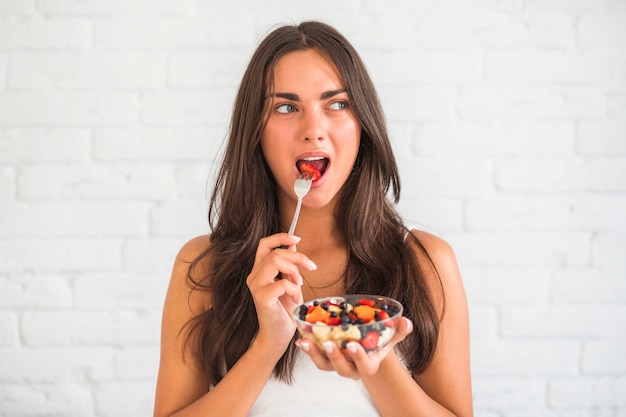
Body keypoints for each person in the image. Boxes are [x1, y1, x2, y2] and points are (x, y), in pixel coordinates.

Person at [154, 21, 473, 417]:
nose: (314, 130)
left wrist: (372, 355)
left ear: (363, 124)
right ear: (255, 131)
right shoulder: (202, 265)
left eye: (337, 104)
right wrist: (268, 344)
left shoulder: (426, 261)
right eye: (286, 107)